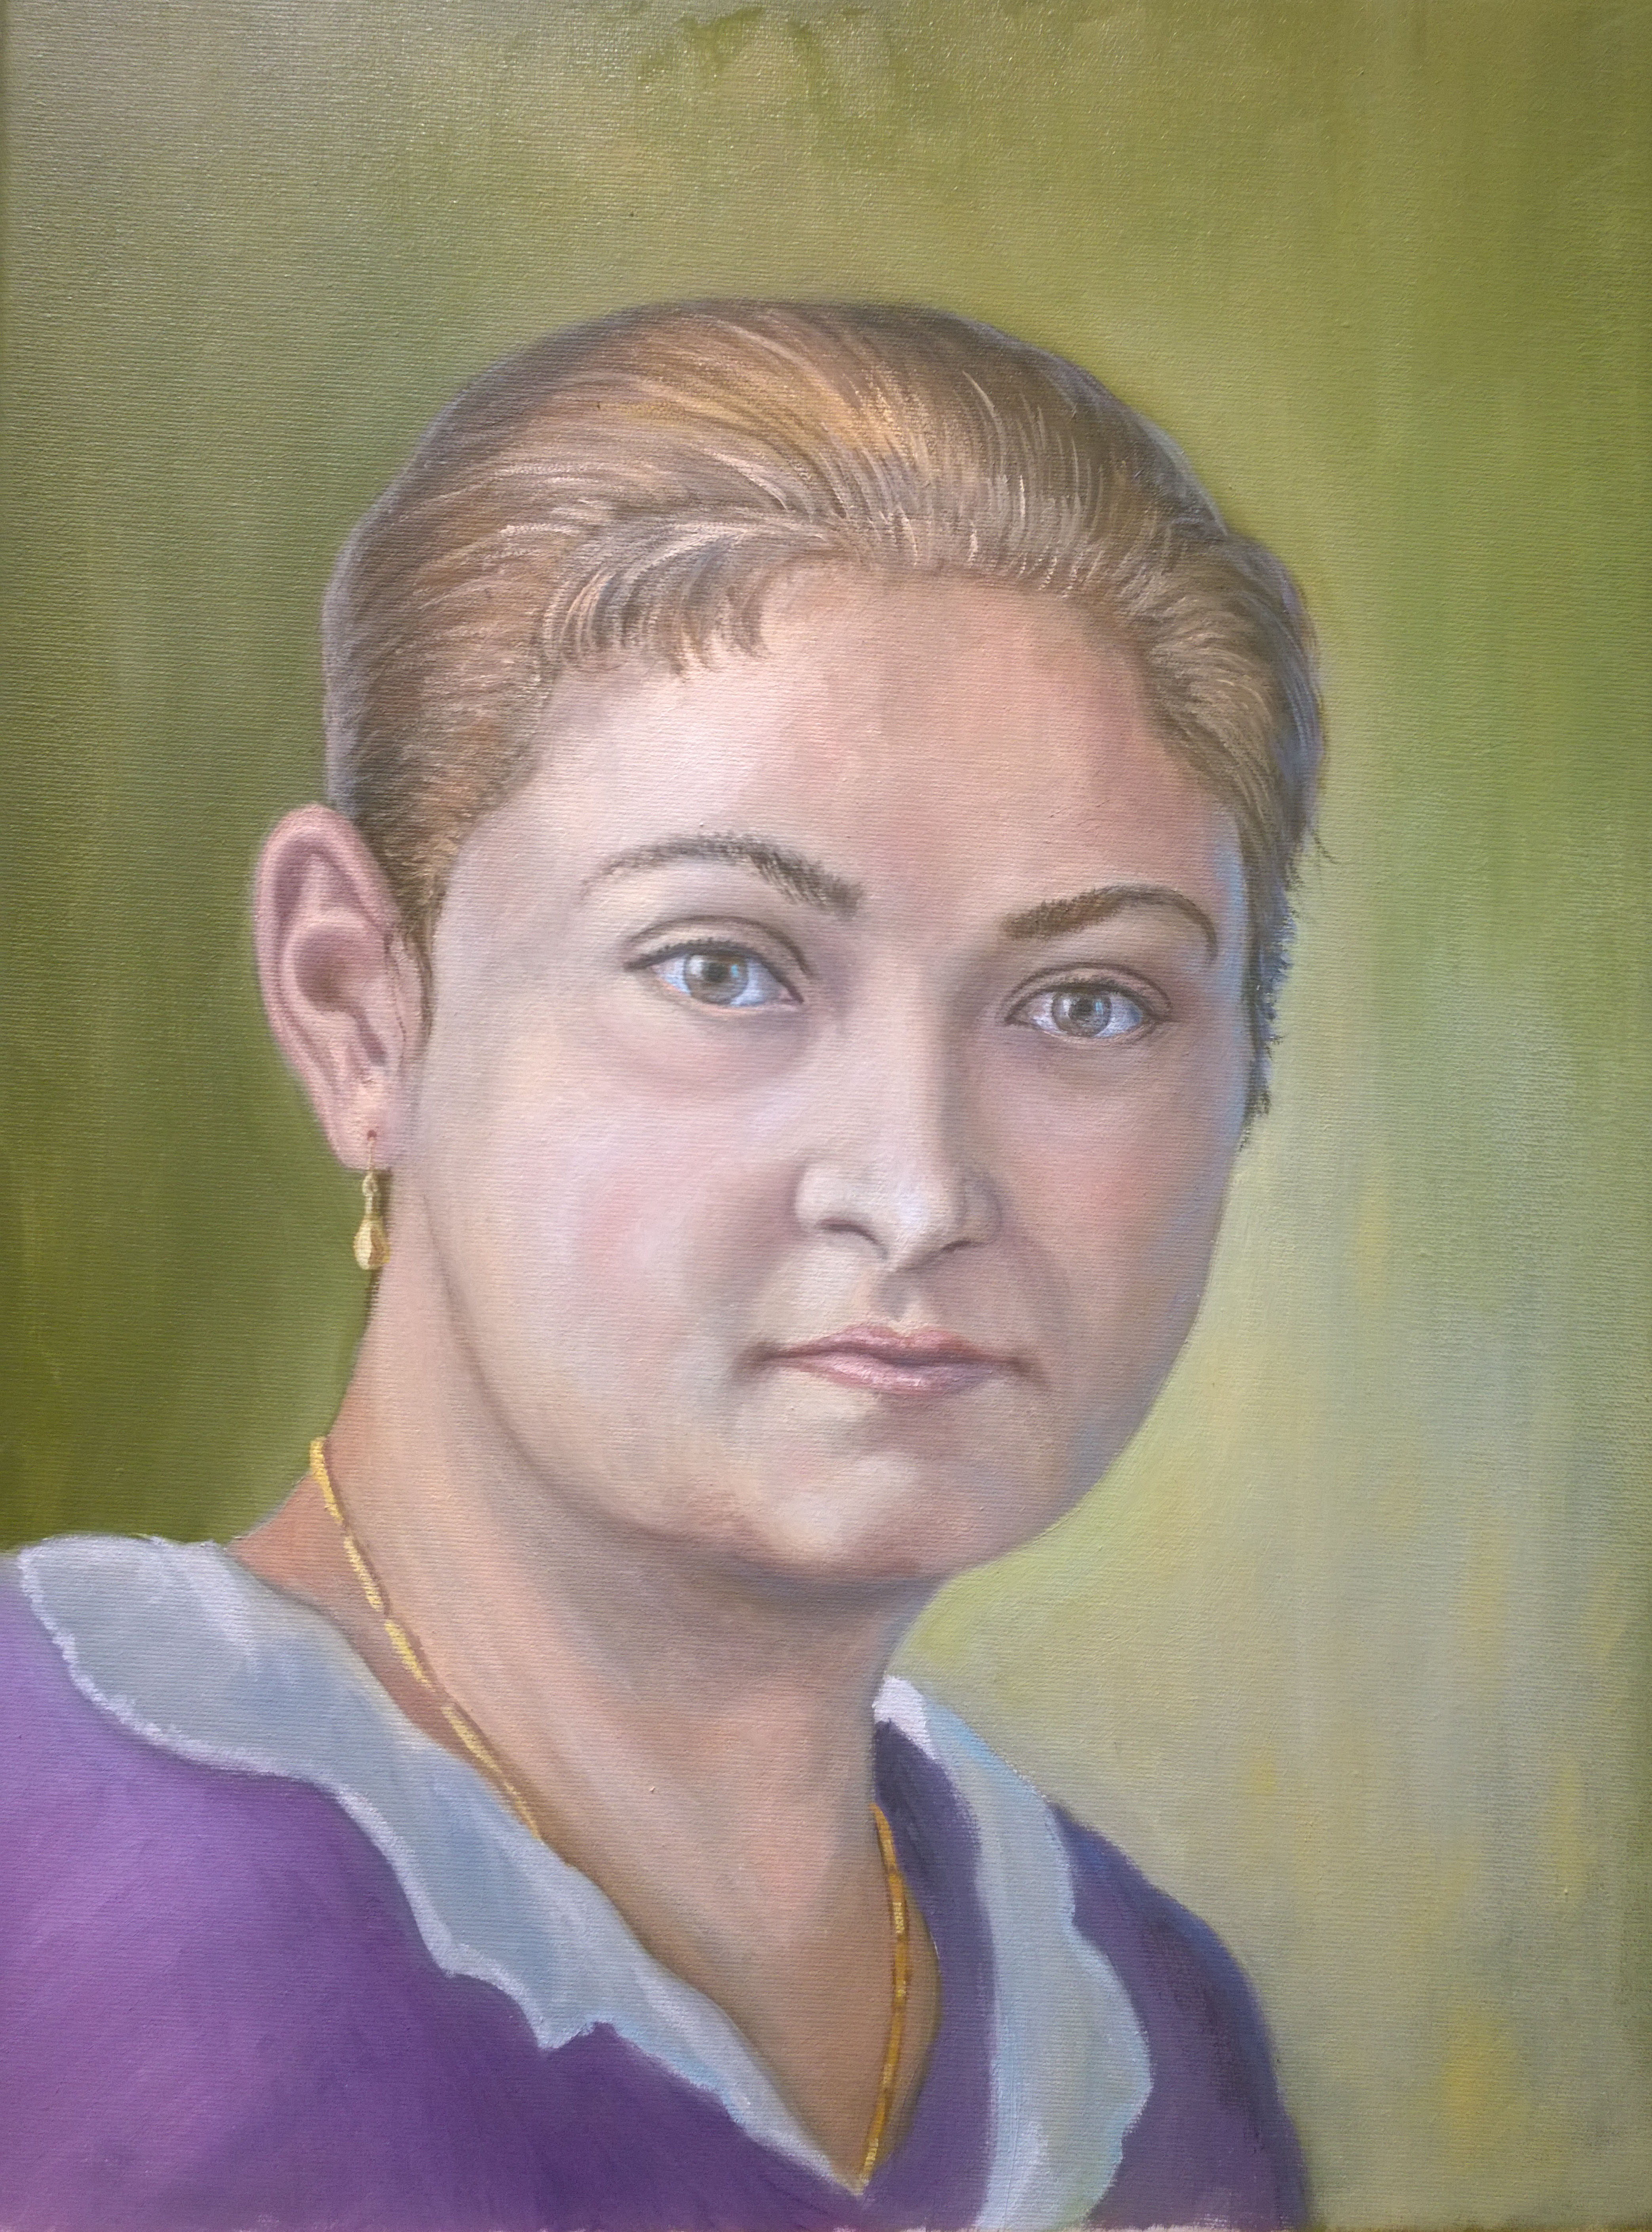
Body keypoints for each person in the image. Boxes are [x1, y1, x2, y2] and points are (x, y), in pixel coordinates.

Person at [0, 300, 1320, 2231]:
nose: (916, 1189)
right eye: (724, 968)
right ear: (361, 1008)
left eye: (1089, 1002)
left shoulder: (1146, 2043)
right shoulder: (50, 1886)